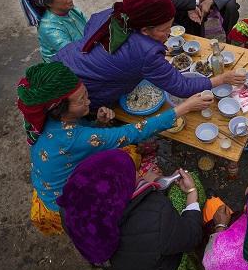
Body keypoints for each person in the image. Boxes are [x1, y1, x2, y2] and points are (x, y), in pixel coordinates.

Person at [16, 62, 212, 235]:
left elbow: (81, 140)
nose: (89, 101)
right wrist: (184, 107)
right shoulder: (73, 138)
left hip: (50, 184)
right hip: (66, 203)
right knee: (131, 158)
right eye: (81, 100)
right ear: (58, 108)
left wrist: (97, 124)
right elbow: (132, 132)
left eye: (86, 95)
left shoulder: (47, 121)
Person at [53, 0, 244, 110]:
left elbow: (91, 26)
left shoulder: (118, 14)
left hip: (64, 60)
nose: (169, 34)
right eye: (165, 30)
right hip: (78, 90)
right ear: (145, 30)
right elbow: (182, 86)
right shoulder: (146, 53)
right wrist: (222, 78)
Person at [57, 149, 204, 270]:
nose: (137, 174)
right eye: (133, 173)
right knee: (192, 183)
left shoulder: (70, 210)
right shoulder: (156, 214)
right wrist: (191, 192)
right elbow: (191, 236)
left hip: (122, 266)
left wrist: (145, 183)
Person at [20, 0, 87, 62]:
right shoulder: (49, 28)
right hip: (67, 66)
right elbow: (75, 55)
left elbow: (89, 28)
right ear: (48, 3)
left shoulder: (71, 10)